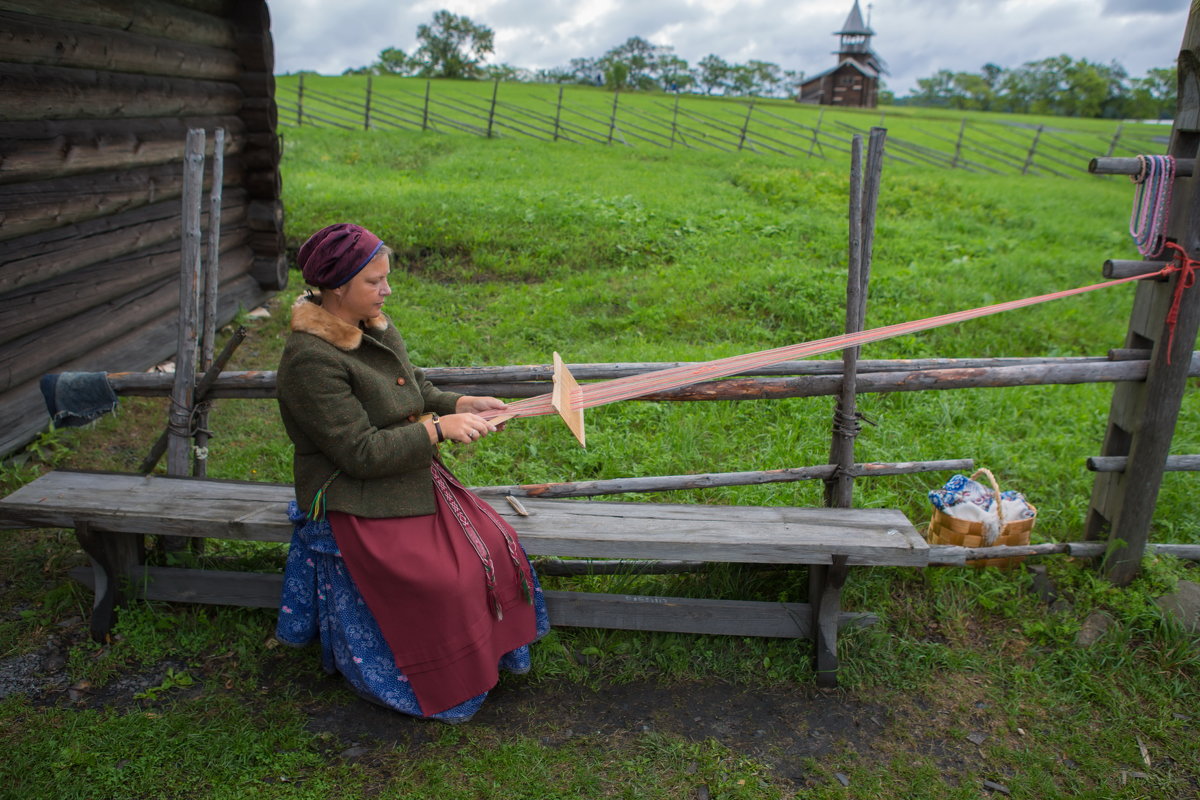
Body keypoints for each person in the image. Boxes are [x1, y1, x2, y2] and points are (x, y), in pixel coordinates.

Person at [273, 222, 549, 722]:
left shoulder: (372, 323)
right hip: (352, 491)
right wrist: (439, 430)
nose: (387, 290)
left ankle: (496, 655)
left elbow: (412, 385)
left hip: (403, 471)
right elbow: (358, 453)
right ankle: (423, 679)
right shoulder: (309, 360)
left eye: (386, 278)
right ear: (337, 287)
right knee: (444, 579)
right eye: (374, 281)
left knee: (494, 544)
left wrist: (461, 402)